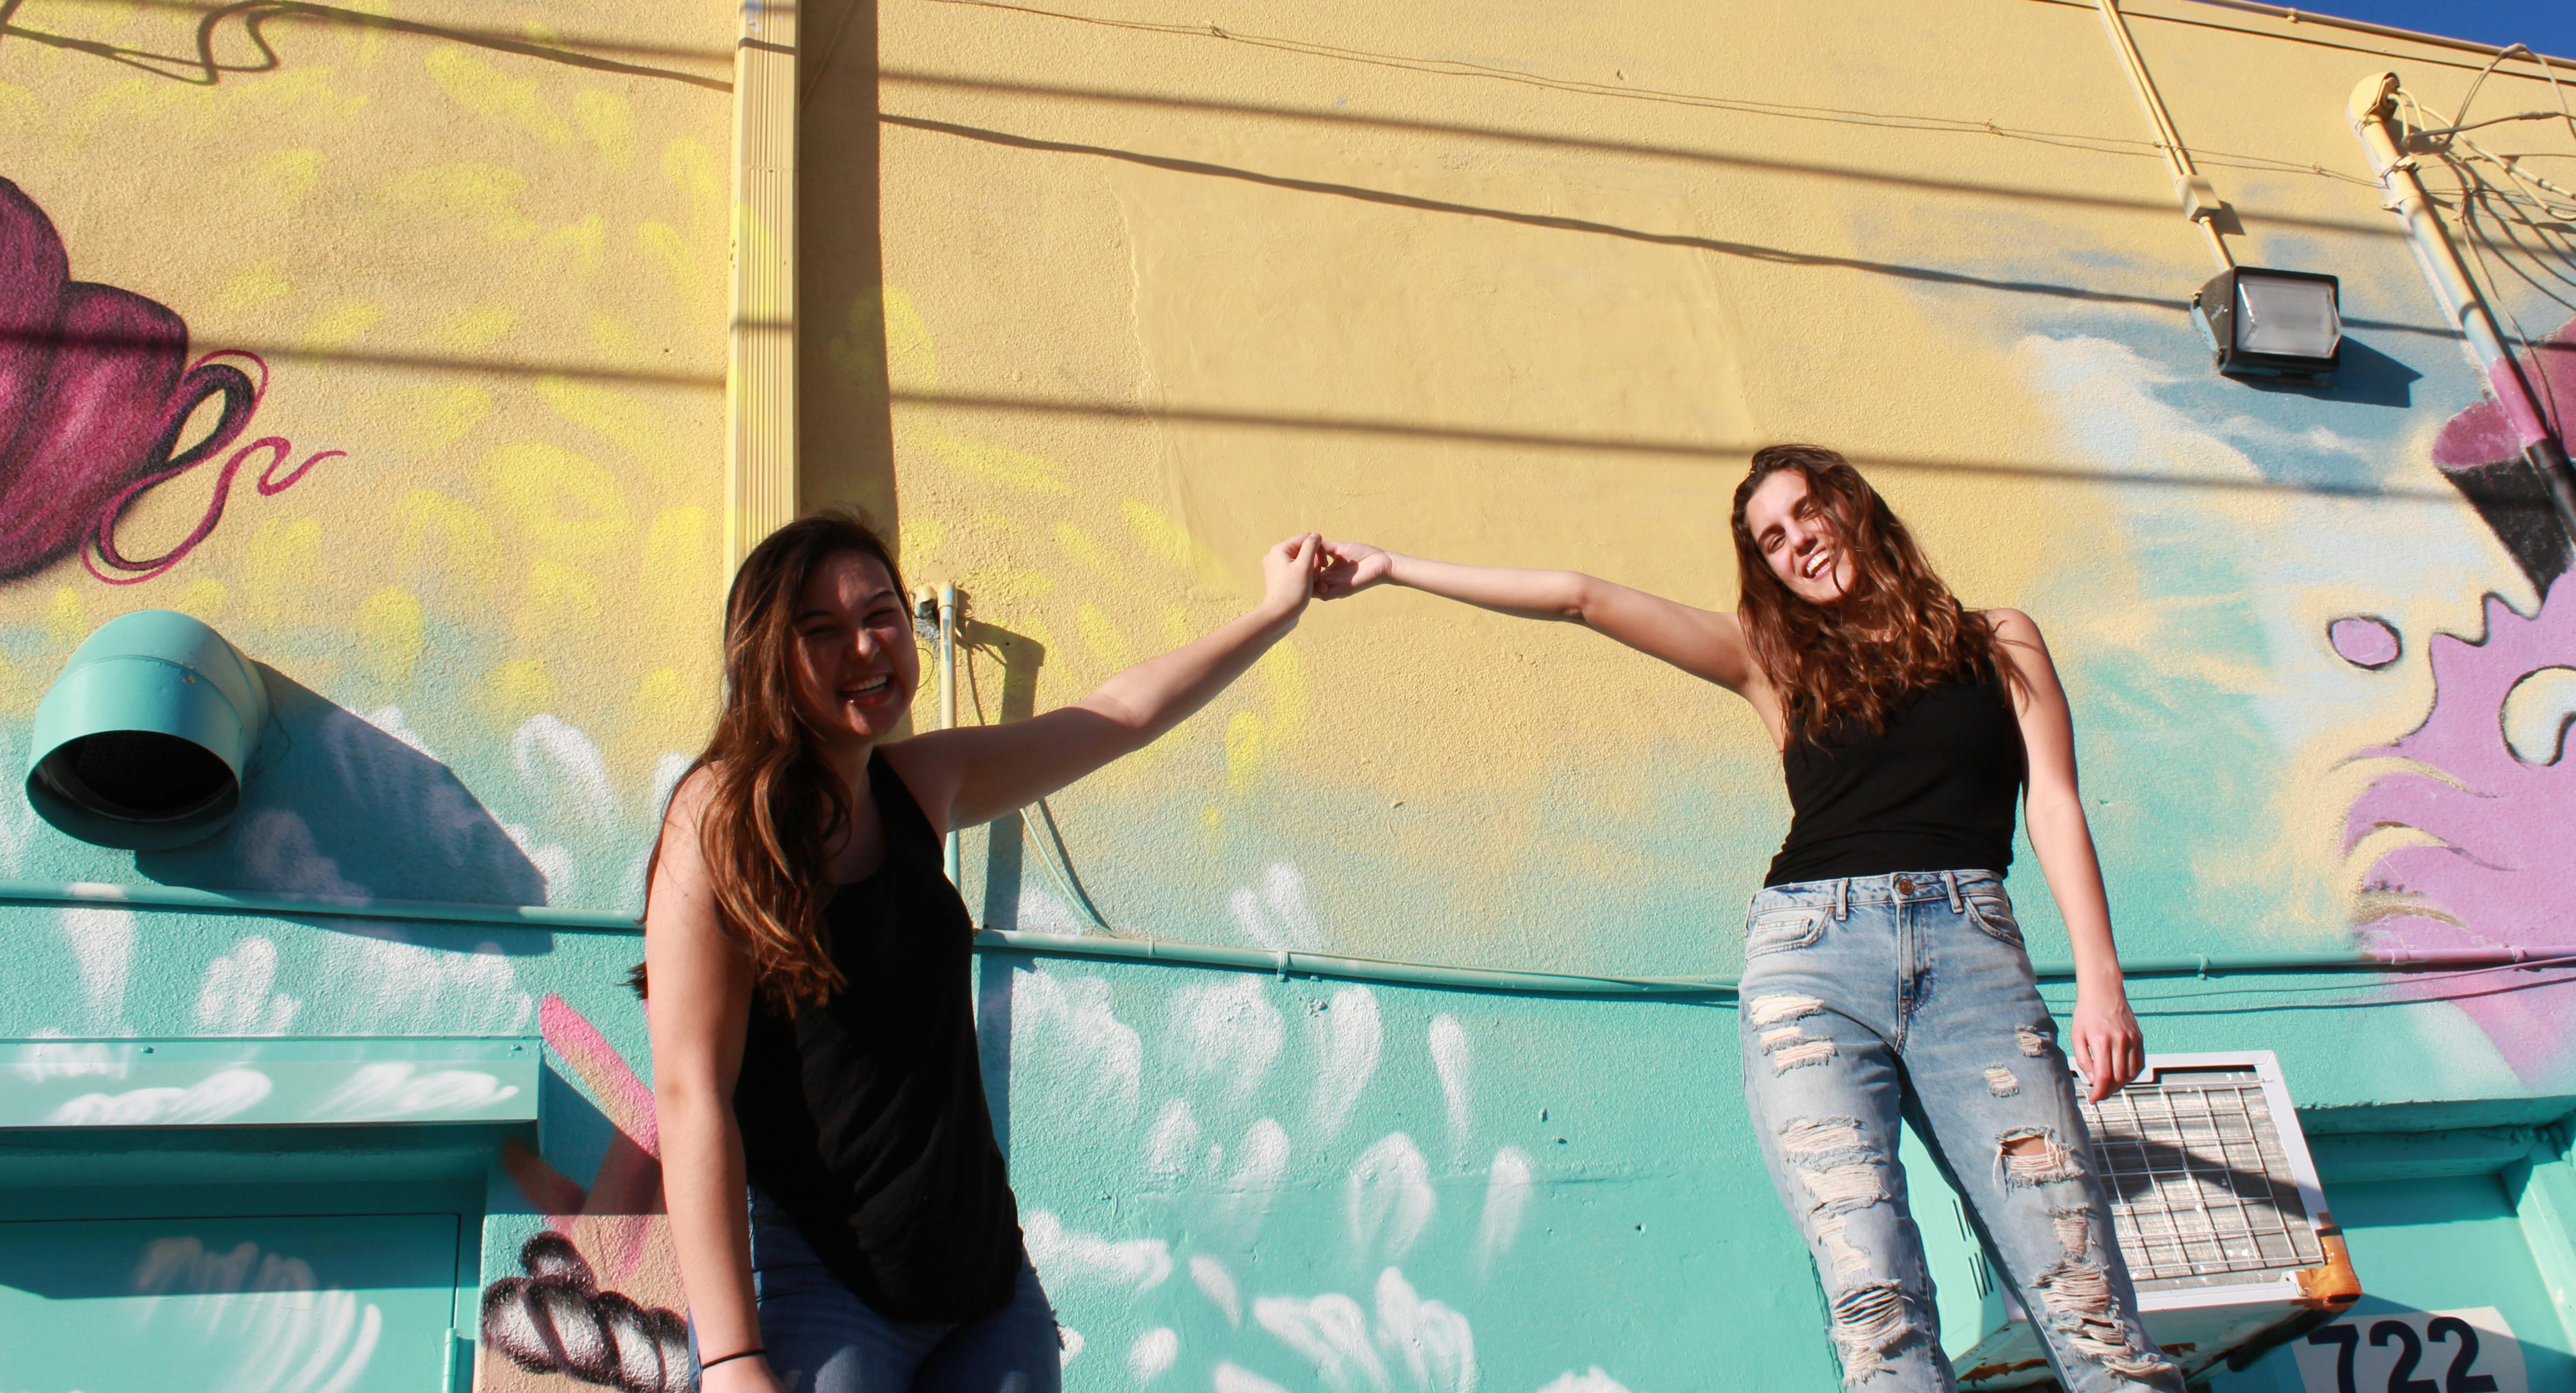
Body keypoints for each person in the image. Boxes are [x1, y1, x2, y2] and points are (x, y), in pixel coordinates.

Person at [1317, 444, 2180, 1393]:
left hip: (1974, 962)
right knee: (1876, 1304)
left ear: (1856, 508)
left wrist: (2102, 982)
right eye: (1773, 540)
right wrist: (1394, 567)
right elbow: (1580, 597)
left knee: (2087, 1300)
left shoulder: (1999, 639)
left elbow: (2053, 804)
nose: (1799, 543)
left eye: (1808, 513)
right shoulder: (1773, 662)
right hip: (1811, 967)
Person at [643, 510, 1327, 1393]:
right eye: (821, 631)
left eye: (881, 614)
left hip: (988, 1298)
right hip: (822, 1294)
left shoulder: (920, 786)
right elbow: (690, 1091)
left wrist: (1275, 611)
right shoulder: (718, 817)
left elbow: (1120, 714)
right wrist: (733, 1357)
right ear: (765, 655)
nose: (865, 647)